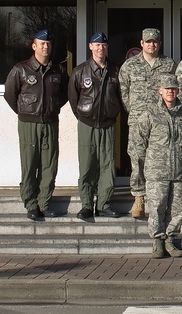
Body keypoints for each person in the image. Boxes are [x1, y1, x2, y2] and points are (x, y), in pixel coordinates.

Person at [3, 28, 67, 221]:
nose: (45, 47)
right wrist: (25, 111)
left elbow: (64, 94)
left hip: (50, 123)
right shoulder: (21, 69)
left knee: (49, 164)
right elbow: (10, 95)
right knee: (30, 164)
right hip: (28, 124)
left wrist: (52, 108)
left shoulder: (59, 70)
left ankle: (44, 203)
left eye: (48, 44)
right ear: (34, 46)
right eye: (42, 43)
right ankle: (31, 204)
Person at [132, 74, 182, 259]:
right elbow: (139, 141)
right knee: (158, 206)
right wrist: (144, 163)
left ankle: (171, 239)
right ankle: (158, 240)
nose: (170, 92)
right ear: (160, 90)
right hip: (157, 169)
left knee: (177, 209)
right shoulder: (150, 112)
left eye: (173, 88)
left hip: (180, 169)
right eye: (167, 89)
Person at [119, 27, 177, 219]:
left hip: (161, 123)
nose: (152, 44)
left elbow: (175, 90)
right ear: (141, 43)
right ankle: (139, 198)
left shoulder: (168, 64)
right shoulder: (129, 66)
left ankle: (160, 198)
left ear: (159, 44)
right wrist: (135, 111)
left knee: (161, 159)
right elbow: (124, 92)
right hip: (138, 121)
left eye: (155, 41)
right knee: (138, 159)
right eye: (148, 41)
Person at [67, 31, 123, 221]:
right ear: (90, 47)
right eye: (97, 45)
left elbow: (121, 96)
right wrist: (84, 116)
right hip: (87, 125)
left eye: (104, 45)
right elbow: (73, 99)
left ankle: (104, 204)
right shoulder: (80, 71)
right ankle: (86, 205)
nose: (101, 48)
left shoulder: (115, 71)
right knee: (88, 164)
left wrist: (112, 113)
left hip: (108, 124)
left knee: (107, 164)